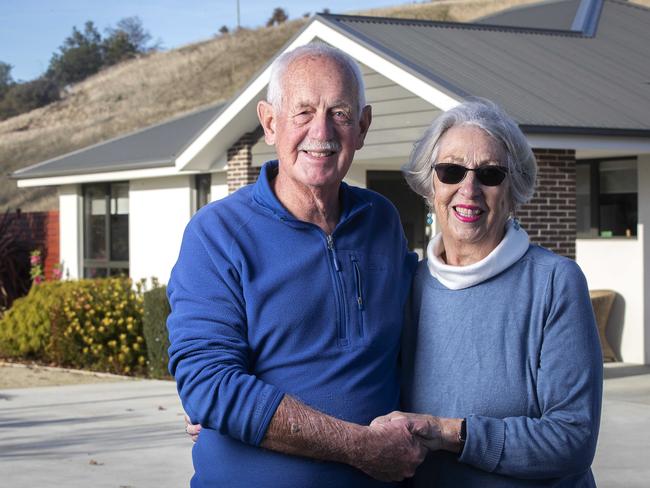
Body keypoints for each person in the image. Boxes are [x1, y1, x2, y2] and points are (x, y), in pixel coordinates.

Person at [166, 43, 425, 487]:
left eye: (340, 113)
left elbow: (416, 338)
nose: (321, 131)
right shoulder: (217, 234)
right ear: (269, 122)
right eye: (302, 112)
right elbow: (209, 383)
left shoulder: (381, 220)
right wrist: (361, 448)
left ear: (362, 127)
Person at [372, 98, 603, 486]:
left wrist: (450, 433)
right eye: (451, 171)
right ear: (431, 189)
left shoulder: (554, 283)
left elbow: (573, 438)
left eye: (490, 174)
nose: (469, 189)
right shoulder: (409, 284)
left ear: (513, 191)